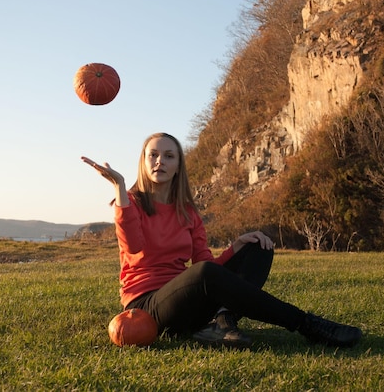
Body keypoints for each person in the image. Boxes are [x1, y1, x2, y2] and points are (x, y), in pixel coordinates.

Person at [81, 132, 362, 348]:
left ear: (178, 166)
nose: (159, 161)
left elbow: (205, 263)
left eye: (168, 156)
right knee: (204, 274)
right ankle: (307, 324)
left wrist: (236, 247)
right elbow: (133, 247)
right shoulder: (131, 203)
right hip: (147, 307)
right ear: (143, 163)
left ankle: (220, 321)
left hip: (187, 299)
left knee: (257, 247)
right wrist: (120, 188)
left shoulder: (187, 211)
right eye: (153, 155)